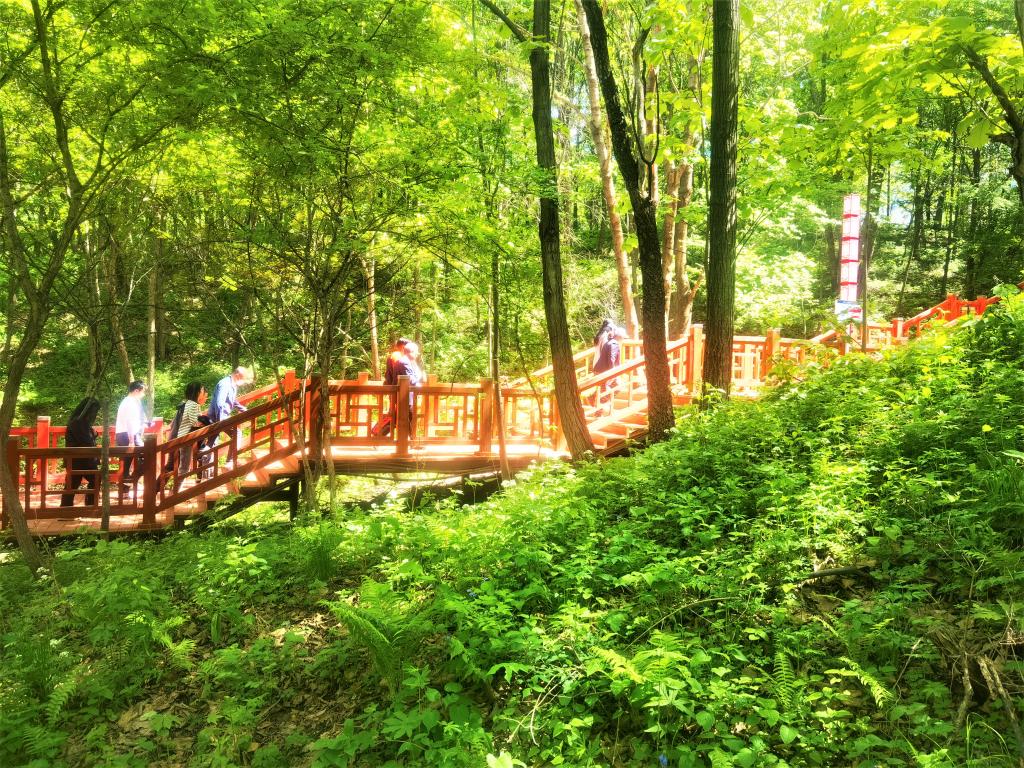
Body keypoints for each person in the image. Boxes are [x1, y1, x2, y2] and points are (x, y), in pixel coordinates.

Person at [60, 397, 100, 507]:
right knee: (74, 483)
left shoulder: (80, 421)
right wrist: (94, 435)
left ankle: (87, 505)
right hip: (78, 459)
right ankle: (87, 505)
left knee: (77, 483)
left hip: (83, 459)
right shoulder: (78, 422)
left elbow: (87, 438)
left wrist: (93, 434)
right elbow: (87, 440)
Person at [169, 382, 207, 490]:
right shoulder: (193, 404)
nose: (203, 393)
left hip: (184, 437)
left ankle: (177, 488)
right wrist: (203, 422)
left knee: (184, 465)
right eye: (202, 390)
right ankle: (177, 490)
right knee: (184, 466)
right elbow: (194, 421)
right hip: (186, 438)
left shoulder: (189, 403)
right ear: (197, 392)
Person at [206, 366, 252, 454]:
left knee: (211, 444)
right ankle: (230, 460)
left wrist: (243, 409)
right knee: (236, 433)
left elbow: (232, 400)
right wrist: (222, 421)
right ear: (237, 375)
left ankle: (204, 458)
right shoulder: (225, 383)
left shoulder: (232, 384)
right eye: (243, 378)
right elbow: (220, 403)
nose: (243, 381)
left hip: (219, 417)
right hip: (217, 417)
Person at [116, 381, 148, 485]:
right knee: (148, 455)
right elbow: (129, 422)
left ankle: (126, 484)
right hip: (129, 434)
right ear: (136, 391)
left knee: (127, 462)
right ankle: (130, 480)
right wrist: (131, 441)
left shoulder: (128, 401)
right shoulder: (130, 402)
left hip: (124, 434)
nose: (143, 395)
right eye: (143, 392)